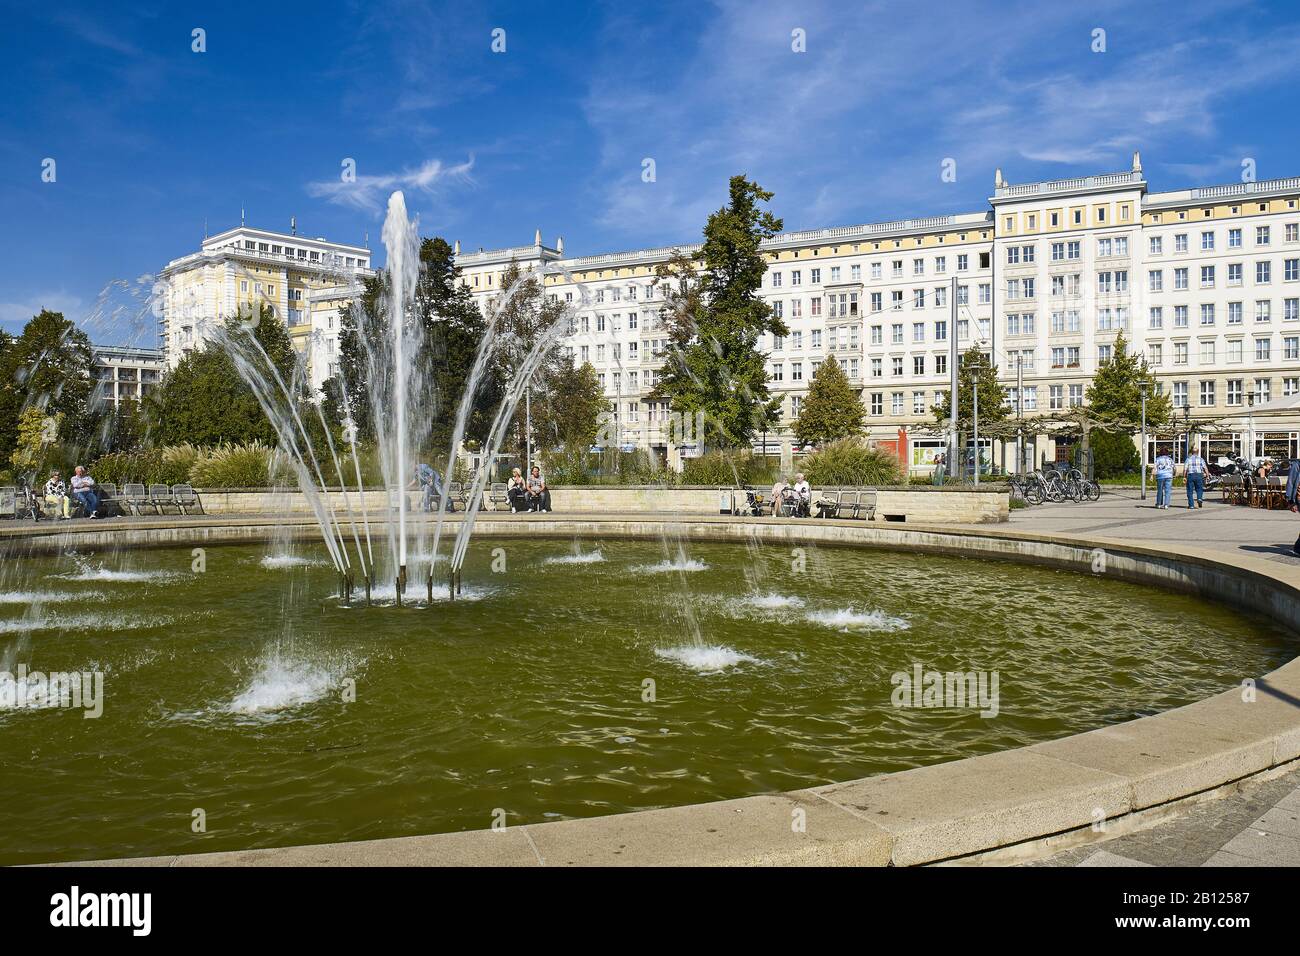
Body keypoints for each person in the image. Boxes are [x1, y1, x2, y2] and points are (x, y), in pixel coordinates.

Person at [1286, 458, 1300, 557]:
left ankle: (1298, 548)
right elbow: (1290, 482)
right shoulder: (1297, 465)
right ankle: (1298, 548)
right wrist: (1291, 501)